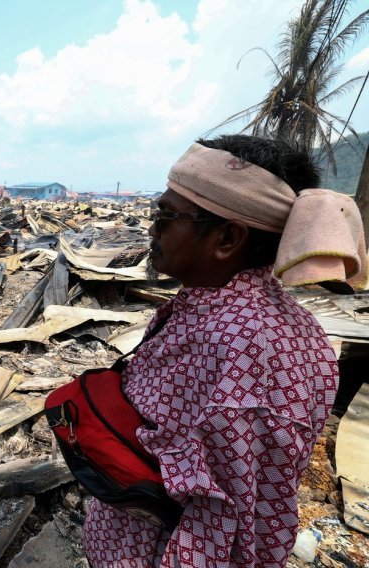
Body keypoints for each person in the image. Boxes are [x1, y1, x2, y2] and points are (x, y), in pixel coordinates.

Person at [83, 135, 367, 567]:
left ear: (227, 238)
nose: (152, 229)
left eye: (166, 216)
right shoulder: (232, 311)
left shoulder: (240, 346)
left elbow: (230, 517)